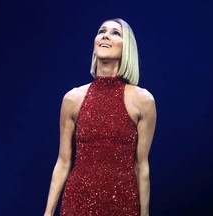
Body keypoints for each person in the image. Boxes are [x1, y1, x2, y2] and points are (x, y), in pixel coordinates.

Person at [44, 18, 156, 216]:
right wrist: (48, 213)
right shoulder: (73, 99)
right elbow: (63, 162)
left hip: (123, 203)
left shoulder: (142, 101)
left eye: (116, 33)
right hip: (77, 203)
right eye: (102, 31)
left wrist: (145, 213)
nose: (106, 35)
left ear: (127, 47)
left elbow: (141, 165)